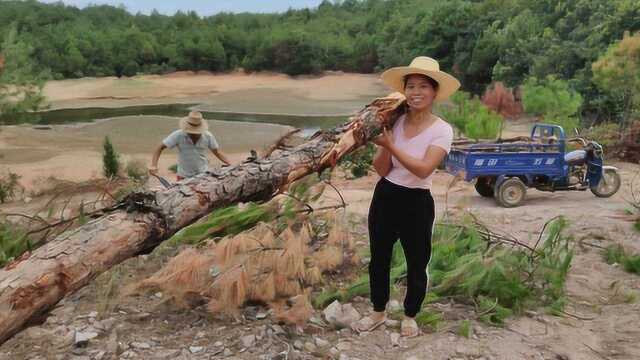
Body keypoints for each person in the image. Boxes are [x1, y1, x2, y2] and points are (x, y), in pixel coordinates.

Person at [354, 56, 460, 337]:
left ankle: (410, 315)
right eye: (411, 86)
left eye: (423, 86)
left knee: (417, 261)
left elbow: (424, 170)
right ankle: (378, 311)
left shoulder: (442, 129)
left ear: (434, 92)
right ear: (404, 91)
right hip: (386, 195)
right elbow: (380, 168)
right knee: (379, 257)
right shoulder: (395, 121)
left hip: (417, 201)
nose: (416, 92)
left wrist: (392, 145)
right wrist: (386, 144)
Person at [149, 111, 231, 180]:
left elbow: (217, 152)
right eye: (191, 132)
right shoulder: (178, 135)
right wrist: (153, 166)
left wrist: (230, 164)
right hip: (183, 177)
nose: (193, 134)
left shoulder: (208, 136)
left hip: (203, 176)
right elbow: (159, 148)